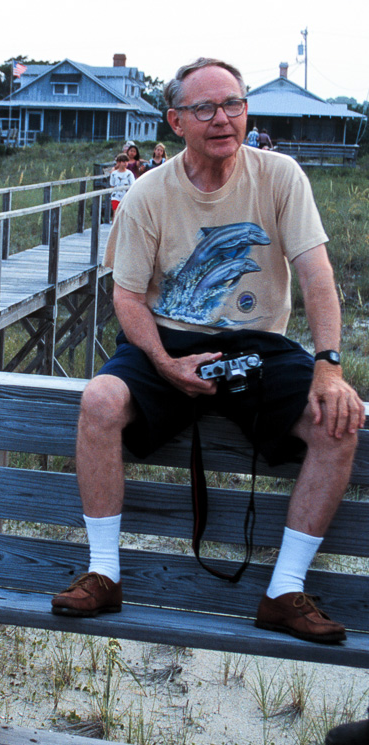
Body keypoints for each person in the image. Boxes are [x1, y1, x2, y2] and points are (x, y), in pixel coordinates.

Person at [51, 58, 363, 645]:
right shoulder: (147, 192)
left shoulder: (281, 175)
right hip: (165, 340)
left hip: (258, 344)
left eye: (234, 105)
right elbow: (127, 297)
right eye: (205, 108)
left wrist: (328, 365)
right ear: (176, 121)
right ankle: (103, 573)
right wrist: (166, 364)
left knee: (338, 423)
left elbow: (317, 274)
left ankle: (285, 590)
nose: (223, 118)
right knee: (98, 400)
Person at [108, 153, 134, 218]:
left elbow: (132, 185)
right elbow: (112, 185)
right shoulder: (114, 174)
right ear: (119, 162)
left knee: (125, 214)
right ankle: (115, 227)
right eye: (123, 161)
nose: (125, 163)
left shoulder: (129, 173)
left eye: (127, 161)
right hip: (116, 196)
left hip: (126, 196)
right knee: (116, 212)